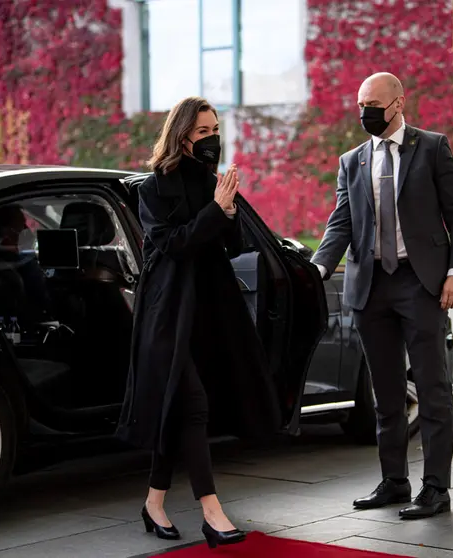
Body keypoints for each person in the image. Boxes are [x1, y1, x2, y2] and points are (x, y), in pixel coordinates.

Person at [114, 96, 282, 548]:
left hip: (210, 308)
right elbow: (174, 245)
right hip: (168, 310)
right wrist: (215, 210)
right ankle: (211, 510)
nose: (212, 139)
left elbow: (232, 247)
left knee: (177, 407)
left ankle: (153, 502)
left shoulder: (214, 183)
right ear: (182, 136)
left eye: (215, 130)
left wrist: (227, 212)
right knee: (192, 403)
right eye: (203, 132)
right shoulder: (152, 188)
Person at [311, 73, 453, 519]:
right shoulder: (352, 161)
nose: (366, 112)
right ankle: (394, 482)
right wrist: (318, 269)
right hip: (370, 288)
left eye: (375, 104)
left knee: (432, 389)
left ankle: (436, 488)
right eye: (361, 103)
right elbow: (340, 224)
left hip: (420, 284)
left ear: (399, 103)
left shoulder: (434, 148)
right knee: (385, 396)